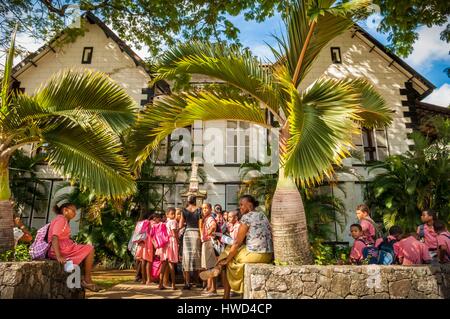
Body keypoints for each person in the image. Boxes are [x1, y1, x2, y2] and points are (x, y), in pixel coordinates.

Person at [200, 195, 273, 299]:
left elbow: (237, 242)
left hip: (255, 255)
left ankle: (220, 272)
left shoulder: (246, 217)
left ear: (250, 205)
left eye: (242, 205)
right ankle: (219, 267)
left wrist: (227, 259)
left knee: (227, 256)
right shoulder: (263, 215)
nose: (240, 207)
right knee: (229, 251)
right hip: (268, 255)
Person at [47, 203, 101, 292]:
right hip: (61, 250)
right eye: (73, 211)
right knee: (90, 249)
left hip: (64, 248)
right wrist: (58, 256)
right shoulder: (61, 219)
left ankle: (82, 280)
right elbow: (54, 237)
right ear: (65, 210)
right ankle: (87, 279)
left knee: (84, 252)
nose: (75, 213)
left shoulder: (62, 219)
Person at [179, 195, 202, 290]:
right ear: (195, 201)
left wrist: (185, 223)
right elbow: (201, 223)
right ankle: (198, 282)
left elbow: (180, 224)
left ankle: (187, 283)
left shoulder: (184, 210)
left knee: (187, 257)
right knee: (197, 256)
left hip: (188, 233)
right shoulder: (199, 210)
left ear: (188, 201)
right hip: (197, 233)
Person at [200, 203, 218, 296]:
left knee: (211, 267)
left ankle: (213, 289)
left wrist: (209, 232)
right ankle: (209, 287)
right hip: (206, 243)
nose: (204, 210)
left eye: (206, 208)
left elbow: (213, 226)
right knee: (208, 266)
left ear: (210, 209)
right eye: (203, 209)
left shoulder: (210, 218)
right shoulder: (206, 219)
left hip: (209, 243)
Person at [159, 207, 179, 289]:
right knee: (171, 264)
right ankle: (173, 285)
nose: (173, 215)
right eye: (172, 213)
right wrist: (178, 242)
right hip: (171, 242)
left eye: (174, 213)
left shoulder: (166, 222)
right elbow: (174, 233)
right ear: (167, 214)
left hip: (165, 243)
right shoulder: (173, 221)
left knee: (164, 264)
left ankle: (160, 284)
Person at [134, 211, 154, 285]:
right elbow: (151, 232)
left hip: (141, 242)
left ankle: (143, 280)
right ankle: (148, 280)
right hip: (148, 242)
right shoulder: (149, 222)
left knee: (142, 261)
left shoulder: (139, 223)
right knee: (149, 261)